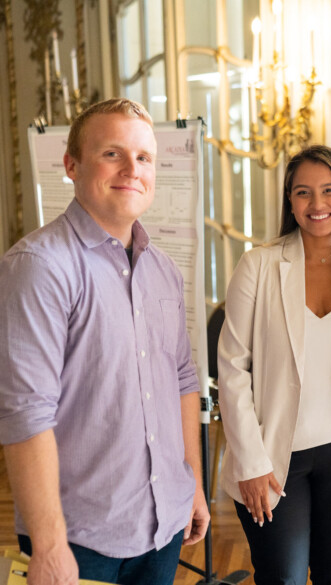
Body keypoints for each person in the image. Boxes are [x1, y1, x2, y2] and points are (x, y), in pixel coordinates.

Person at [0, 98, 210, 585]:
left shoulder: (163, 271)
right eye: (112, 154)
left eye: (143, 157)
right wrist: (50, 546)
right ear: (71, 165)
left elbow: (182, 380)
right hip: (80, 540)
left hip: (163, 525)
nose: (131, 169)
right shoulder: (39, 267)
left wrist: (193, 484)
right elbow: (25, 413)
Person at [218, 145, 331, 585]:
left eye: (329, 191)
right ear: (289, 200)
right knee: (281, 577)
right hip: (273, 458)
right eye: (303, 192)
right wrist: (250, 462)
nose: (317, 204)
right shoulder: (257, 266)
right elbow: (231, 368)